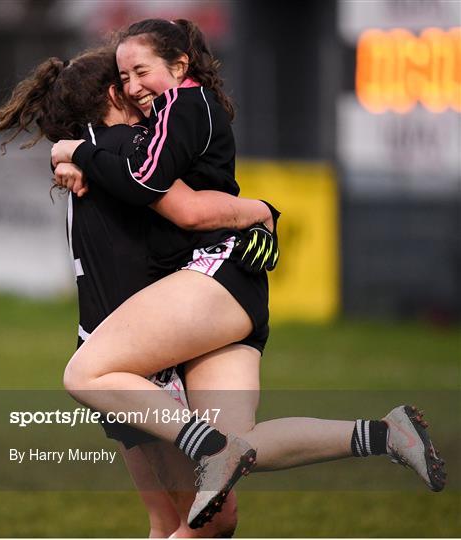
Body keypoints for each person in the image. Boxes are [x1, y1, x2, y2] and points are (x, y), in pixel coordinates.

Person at [50, 18, 446, 530]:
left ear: (178, 65)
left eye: (140, 71)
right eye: (125, 78)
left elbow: (183, 208)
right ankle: (387, 435)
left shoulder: (160, 122)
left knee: (85, 373)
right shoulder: (147, 129)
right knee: (241, 451)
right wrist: (74, 153)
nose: (133, 86)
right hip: (231, 295)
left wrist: (76, 151)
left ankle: (209, 445)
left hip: (217, 281)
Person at [0, 44, 279, 537]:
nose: (146, 96)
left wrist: (72, 154)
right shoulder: (124, 147)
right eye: (130, 80)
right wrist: (261, 211)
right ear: (115, 93)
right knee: (210, 522)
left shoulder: (93, 151)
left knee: (167, 520)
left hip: (105, 345)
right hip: (139, 369)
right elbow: (192, 211)